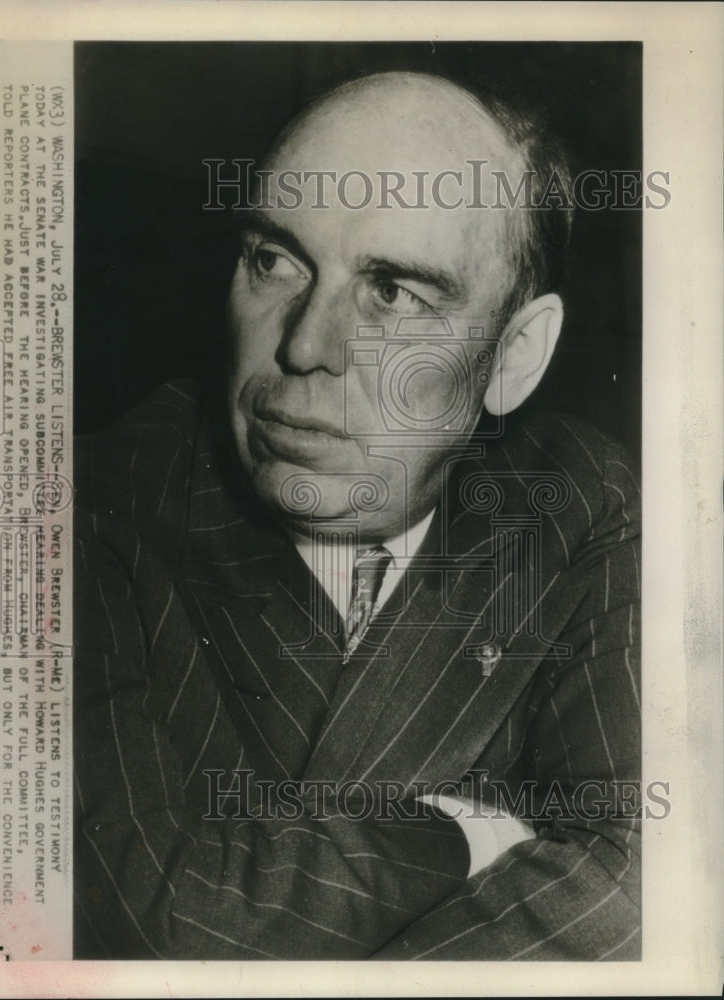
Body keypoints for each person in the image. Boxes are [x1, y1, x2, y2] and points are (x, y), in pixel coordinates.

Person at [73, 71, 640, 960]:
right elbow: (149, 915)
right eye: (274, 259)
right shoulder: (87, 503)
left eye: (393, 293)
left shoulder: (575, 505)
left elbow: (644, 884)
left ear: (513, 357)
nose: (302, 345)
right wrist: (470, 838)